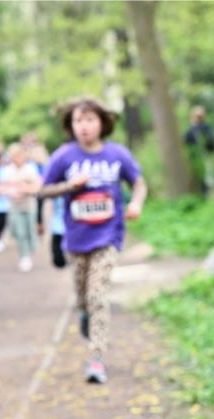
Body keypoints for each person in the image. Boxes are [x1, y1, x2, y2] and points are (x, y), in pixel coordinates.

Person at [39, 97, 148, 384]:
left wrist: (135, 203)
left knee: (98, 296)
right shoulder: (64, 156)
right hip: (76, 240)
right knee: (83, 297)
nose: (84, 126)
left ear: (102, 123)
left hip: (108, 236)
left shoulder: (117, 154)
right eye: (78, 121)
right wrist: (69, 186)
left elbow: (138, 181)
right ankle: (86, 315)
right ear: (70, 125)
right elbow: (43, 190)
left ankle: (96, 359)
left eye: (89, 120)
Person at [0, 143, 42, 272]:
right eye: (15, 155)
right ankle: (24, 256)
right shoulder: (6, 170)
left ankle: (29, 251)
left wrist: (24, 188)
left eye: (20, 154)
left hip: (30, 206)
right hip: (15, 207)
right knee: (20, 232)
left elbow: (37, 187)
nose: (18, 157)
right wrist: (10, 192)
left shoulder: (31, 169)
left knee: (30, 231)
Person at [184, 105, 214, 195]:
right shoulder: (190, 130)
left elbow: (212, 143)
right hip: (195, 159)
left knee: (208, 179)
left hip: (206, 156)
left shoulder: (207, 128)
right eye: (197, 116)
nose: (199, 118)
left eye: (200, 116)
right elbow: (186, 142)